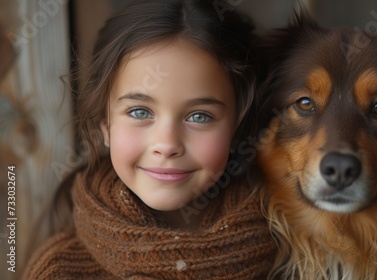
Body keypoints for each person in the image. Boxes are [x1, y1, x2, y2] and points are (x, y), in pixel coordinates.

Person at [23, 0, 276, 279]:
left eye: (200, 116)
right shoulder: (59, 272)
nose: (167, 145)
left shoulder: (296, 253)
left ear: (237, 128)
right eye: (140, 111)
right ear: (105, 125)